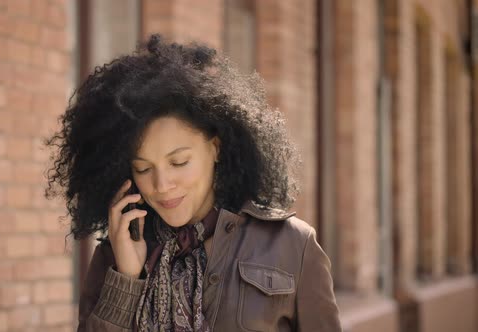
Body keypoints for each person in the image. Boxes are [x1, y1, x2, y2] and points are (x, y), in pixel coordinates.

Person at [46, 34, 341, 332]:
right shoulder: (117, 252)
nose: (161, 185)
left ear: (215, 148)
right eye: (143, 168)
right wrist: (126, 280)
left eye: (179, 162)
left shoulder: (292, 244)